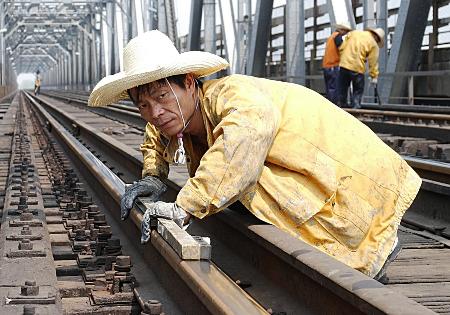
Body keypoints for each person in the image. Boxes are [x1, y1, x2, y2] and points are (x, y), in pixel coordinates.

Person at [88, 30, 421, 279]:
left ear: (190, 83)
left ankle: (375, 250)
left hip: (349, 170)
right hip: (319, 167)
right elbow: (155, 132)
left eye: (162, 96)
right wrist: (152, 176)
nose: (155, 111)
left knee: (345, 229)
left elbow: (238, 147)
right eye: (143, 105)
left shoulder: (232, 96)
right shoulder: (179, 113)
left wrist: (182, 207)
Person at [337, 28, 384, 108]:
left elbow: (342, 47)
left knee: (343, 89)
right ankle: (356, 108)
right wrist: (374, 76)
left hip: (344, 65)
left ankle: (342, 106)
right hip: (357, 68)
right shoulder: (373, 44)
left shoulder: (354, 33)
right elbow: (373, 62)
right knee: (357, 90)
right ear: (377, 38)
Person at [322, 22, 352, 104]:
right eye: (345, 31)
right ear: (341, 30)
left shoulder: (331, 37)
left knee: (329, 88)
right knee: (335, 88)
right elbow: (342, 49)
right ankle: (334, 106)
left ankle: (330, 105)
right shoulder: (337, 37)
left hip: (326, 66)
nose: (346, 34)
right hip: (333, 65)